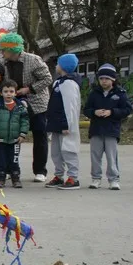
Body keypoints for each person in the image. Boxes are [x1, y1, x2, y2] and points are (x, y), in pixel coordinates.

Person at [0, 32, 53, 183]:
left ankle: (40, 171)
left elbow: (47, 78)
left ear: (13, 50)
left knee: (39, 135)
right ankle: (11, 169)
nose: (1, 52)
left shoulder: (33, 60)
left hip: (37, 104)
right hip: (14, 103)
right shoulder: (3, 63)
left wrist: (29, 89)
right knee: (12, 135)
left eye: (3, 49)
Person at [83, 63, 133, 190]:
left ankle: (113, 179)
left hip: (112, 129)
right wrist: (94, 112)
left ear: (113, 79)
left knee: (111, 156)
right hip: (96, 129)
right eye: (101, 79)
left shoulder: (120, 93)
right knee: (95, 155)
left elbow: (127, 109)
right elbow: (86, 109)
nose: (104, 81)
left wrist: (112, 112)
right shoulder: (94, 93)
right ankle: (96, 178)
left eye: (107, 79)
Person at [45, 53, 82, 190]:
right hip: (56, 124)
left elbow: (70, 106)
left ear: (64, 66)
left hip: (65, 125)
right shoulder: (58, 82)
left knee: (68, 150)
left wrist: (67, 124)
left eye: (58, 64)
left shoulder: (69, 83)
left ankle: (73, 177)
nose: (56, 66)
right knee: (56, 152)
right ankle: (58, 175)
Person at [0, 79, 30, 188]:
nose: (8, 94)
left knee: (14, 159)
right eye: (6, 91)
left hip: (15, 139)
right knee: (1, 160)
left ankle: (16, 179)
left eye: (11, 91)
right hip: (0, 140)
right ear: (1, 93)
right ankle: (1, 179)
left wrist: (22, 134)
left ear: (15, 93)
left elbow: (25, 121)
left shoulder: (20, 107)